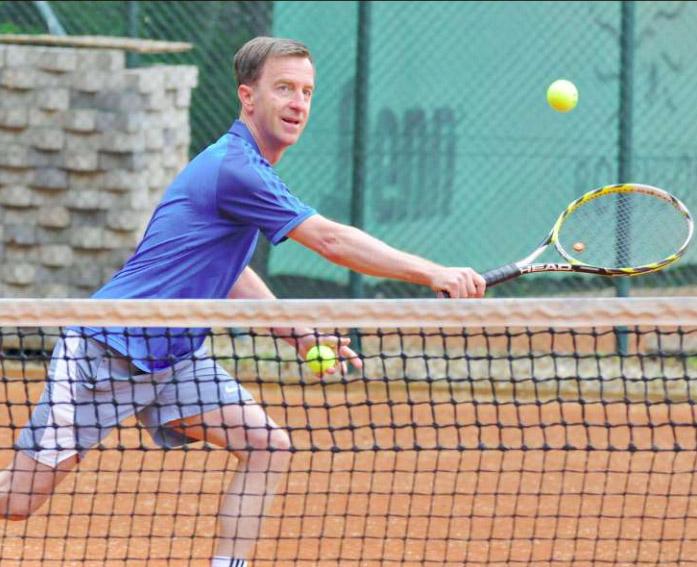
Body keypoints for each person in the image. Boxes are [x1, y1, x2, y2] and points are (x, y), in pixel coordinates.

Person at [0, 36, 485, 567]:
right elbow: (329, 240)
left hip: (175, 358)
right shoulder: (236, 168)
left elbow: (231, 273)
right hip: (107, 350)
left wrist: (295, 332)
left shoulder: (248, 168)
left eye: (306, 91)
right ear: (248, 96)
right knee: (17, 501)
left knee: (266, 445)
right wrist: (433, 272)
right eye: (284, 89)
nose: (298, 103)